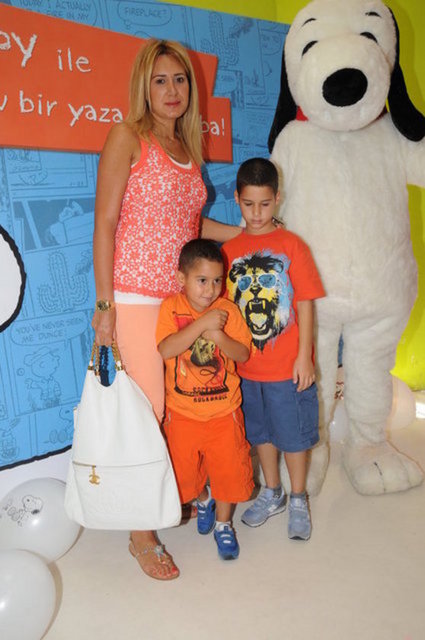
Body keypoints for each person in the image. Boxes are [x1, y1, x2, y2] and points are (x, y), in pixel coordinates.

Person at [91, 39, 241, 580]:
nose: (172, 90)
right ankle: (140, 535)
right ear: (144, 86)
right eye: (160, 80)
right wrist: (105, 305)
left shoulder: (187, 148)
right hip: (135, 298)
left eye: (180, 79)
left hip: (180, 302)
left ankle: (160, 499)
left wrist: (249, 234)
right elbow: (105, 222)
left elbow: (191, 226)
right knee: (147, 411)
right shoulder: (126, 136)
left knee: (175, 406)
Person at [221, 158, 325, 540]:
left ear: (277, 198)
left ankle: (298, 496)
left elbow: (305, 303)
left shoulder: (292, 245)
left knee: (293, 435)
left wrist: (304, 357)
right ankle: (273, 490)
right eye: (249, 204)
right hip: (247, 369)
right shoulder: (228, 251)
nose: (257, 213)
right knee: (261, 432)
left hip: (287, 368)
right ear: (237, 199)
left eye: (265, 204)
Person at [156, 239, 253, 560]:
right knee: (183, 476)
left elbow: (242, 354)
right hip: (182, 413)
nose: (210, 290)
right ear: (181, 278)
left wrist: (219, 336)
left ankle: (224, 524)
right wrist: (201, 325)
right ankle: (203, 499)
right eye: (202, 280)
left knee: (228, 472)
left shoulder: (228, 311)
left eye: (217, 280)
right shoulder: (171, 307)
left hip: (224, 413)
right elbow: (166, 349)